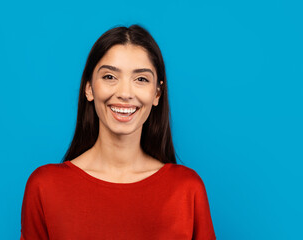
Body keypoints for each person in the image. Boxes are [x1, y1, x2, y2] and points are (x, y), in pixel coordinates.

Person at [20, 24, 216, 240]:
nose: (124, 93)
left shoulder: (187, 190)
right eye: (109, 77)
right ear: (88, 87)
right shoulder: (45, 187)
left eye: (141, 79)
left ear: (157, 93)